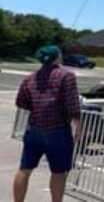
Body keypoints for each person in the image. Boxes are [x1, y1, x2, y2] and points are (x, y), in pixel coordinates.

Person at [13, 45, 81, 202]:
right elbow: (72, 104)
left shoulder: (29, 78)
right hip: (58, 130)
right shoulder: (66, 76)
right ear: (57, 57)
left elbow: (21, 102)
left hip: (34, 129)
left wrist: (36, 105)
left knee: (25, 169)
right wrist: (79, 126)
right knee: (58, 172)